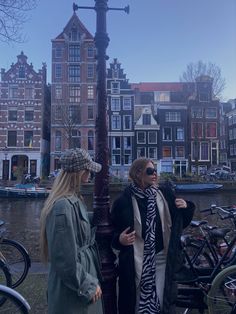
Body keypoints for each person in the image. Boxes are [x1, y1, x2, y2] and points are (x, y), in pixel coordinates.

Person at [111, 158, 195, 314]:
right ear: (138, 173)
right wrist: (119, 240)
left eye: (155, 170)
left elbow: (179, 224)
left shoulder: (165, 195)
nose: (155, 174)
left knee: (162, 301)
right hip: (136, 261)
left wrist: (186, 207)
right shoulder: (123, 202)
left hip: (163, 258)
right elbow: (111, 234)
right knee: (136, 303)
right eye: (150, 171)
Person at [40, 148, 104, 314]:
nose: (90, 174)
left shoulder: (73, 200)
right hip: (74, 291)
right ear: (80, 172)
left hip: (80, 283)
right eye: (88, 170)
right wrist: (88, 284)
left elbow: (77, 224)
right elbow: (63, 259)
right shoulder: (62, 206)